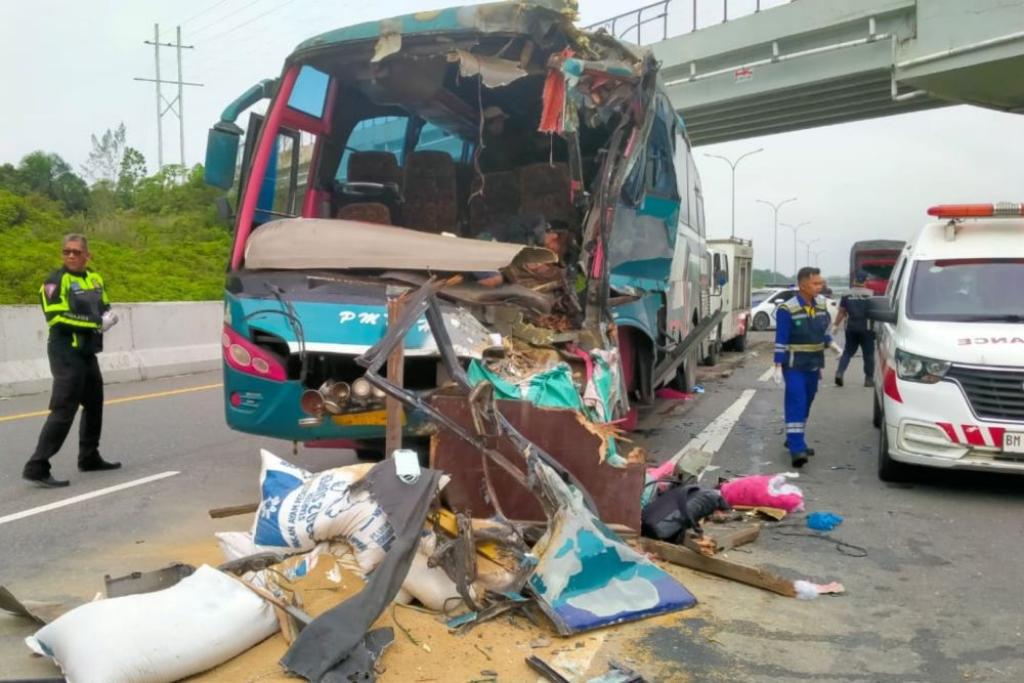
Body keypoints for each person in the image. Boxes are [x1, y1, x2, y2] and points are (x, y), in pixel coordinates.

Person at [22, 234, 121, 488]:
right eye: (67, 252)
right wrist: (97, 323)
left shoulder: (95, 278)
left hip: (87, 352)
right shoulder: (54, 282)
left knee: (94, 403)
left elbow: (103, 305)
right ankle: (37, 465)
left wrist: (109, 315)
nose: (71, 256)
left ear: (88, 255)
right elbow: (58, 318)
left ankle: (89, 457)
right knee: (64, 408)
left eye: (77, 252)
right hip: (65, 352)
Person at [772, 267, 842, 467]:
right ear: (803, 285)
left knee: (807, 401)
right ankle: (797, 450)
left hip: (813, 364)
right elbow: (781, 339)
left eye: (821, 283)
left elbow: (823, 330)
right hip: (794, 365)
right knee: (797, 401)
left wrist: (833, 345)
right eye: (816, 283)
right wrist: (778, 365)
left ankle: (795, 438)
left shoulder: (820, 305)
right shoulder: (788, 309)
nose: (820, 287)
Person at [832, 270, 876, 387]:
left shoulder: (846, 294)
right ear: (866, 281)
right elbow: (875, 314)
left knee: (847, 352)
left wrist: (835, 325)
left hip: (851, 327)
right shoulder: (871, 294)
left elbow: (841, 312)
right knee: (868, 355)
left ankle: (840, 373)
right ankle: (869, 379)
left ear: (855, 280)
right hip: (866, 328)